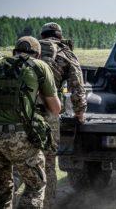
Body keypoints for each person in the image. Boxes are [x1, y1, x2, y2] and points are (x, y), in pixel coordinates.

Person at [0, 36, 61, 208]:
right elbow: (55, 109)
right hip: (19, 138)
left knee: (2, 191)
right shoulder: (40, 66)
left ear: (14, 52)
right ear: (38, 55)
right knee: (35, 186)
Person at [38, 22, 87, 208]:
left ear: (42, 35)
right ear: (59, 36)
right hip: (48, 112)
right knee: (49, 162)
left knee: (21, 161)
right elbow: (77, 88)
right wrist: (80, 114)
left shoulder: (30, 51)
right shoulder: (65, 53)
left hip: (20, 112)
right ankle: (47, 203)